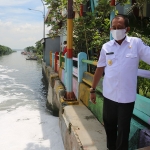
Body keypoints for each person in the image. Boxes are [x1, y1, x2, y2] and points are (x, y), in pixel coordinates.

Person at [90, 14, 150, 150]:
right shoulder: (106, 47)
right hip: (109, 96)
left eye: (120, 27)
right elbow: (99, 69)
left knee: (123, 131)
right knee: (109, 128)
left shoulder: (136, 43)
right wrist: (92, 90)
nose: (116, 30)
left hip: (126, 98)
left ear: (127, 29)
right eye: (114, 27)